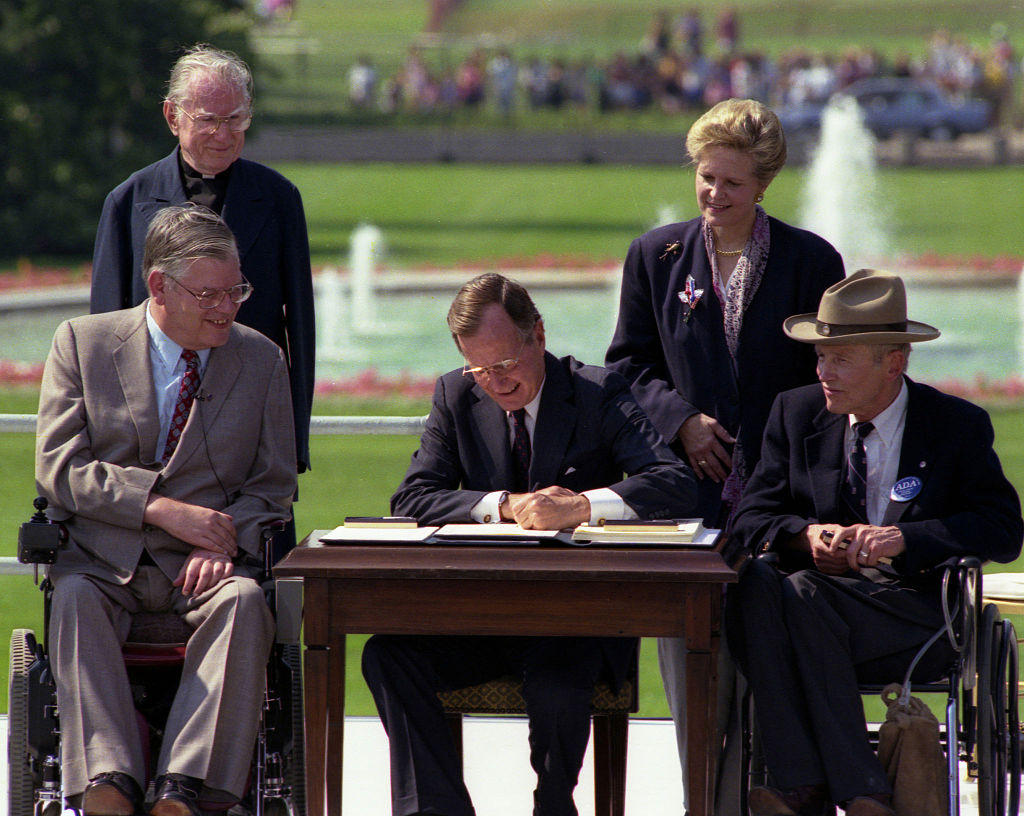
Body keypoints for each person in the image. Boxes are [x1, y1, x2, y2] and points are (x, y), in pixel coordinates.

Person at [362, 272, 697, 816]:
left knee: (559, 683)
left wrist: (583, 505)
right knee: (388, 654)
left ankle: (552, 804)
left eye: (506, 363)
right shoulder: (455, 393)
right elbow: (413, 497)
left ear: (537, 335)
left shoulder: (598, 391)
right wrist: (502, 503)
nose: (494, 381)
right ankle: (437, 809)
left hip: (576, 619)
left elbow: (673, 483)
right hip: (482, 617)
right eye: (480, 367)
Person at [604, 97, 844, 807]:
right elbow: (628, 367)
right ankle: (705, 802)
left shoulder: (810, 261)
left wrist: (778, 459)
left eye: (731, 183)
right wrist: (681, 421)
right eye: (706, 178)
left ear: (763, 185)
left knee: (770, 666)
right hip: (687, 503)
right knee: (692, 667)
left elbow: (827, 381)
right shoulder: (657, 256)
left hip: (782, 504)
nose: (714, 195)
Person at [727, 269, 1023, 816]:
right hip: (815, 607)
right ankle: (846, 789)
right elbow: (749, 519)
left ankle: (817, 788)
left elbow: (1003, 530)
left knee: (799, 596)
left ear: (894, 362)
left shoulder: (955, 425)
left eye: (841, 358)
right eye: (820, 356)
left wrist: (902, 539)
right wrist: (806, 535)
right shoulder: (796, 413)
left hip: (916, 616)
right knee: (761, 582)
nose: (823, 372)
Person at [37, 206, 297, 816]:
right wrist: (159, 509)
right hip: (105, 561)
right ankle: (109, 783)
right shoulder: (83, 343)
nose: (226, 308)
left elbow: (272, 486)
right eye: (209, 294)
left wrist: (221, 543)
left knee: (245, 603)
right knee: (73, 599)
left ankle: (183, 789)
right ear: (159, 286)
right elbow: (60, 468)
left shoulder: (260, 360)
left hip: (206, 571)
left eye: (236, 291)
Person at [90, 44, 314, 490]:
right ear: (173, 117)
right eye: (208, 119)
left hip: (248, 416)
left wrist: (293, 442)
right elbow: (104, 332)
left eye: (235, 119)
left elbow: (300, 328)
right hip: (149, 425)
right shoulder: (127, 202)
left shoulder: (279, 198)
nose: (223, 134)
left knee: (251, 547)